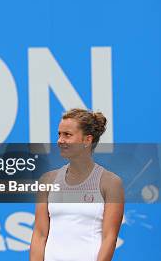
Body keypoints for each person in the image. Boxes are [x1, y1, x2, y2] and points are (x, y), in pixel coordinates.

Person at [30, 108, 124, 261]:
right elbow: (39, 235)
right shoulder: (47, 180)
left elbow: (110, 238)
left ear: (87, 140)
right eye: (59, 134)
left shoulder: (111, 182)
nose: (60, 140)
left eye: (67, 135)